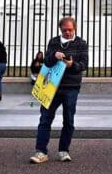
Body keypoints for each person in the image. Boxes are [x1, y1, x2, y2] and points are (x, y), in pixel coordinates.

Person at [30, 17, 88, 164]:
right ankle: (41, 151)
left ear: (74, 28)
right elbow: (47, 62)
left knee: (68, 120)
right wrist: (54, 56)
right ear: (60, 29)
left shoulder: (81, 43)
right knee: (45, 119)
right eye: (64, 30)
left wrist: (71, 64)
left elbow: (84, 65)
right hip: (52, 87)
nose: (67, 32)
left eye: (70, 30)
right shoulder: (54, 42)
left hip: (71, 87)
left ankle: (64, 150)